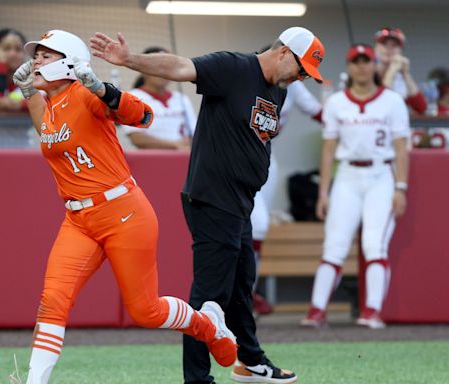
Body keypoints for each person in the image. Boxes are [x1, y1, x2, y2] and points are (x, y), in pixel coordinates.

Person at [90, 26, 325, 384]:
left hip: (241, 202)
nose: (301, 77)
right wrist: (129, 59)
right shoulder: (233, 68)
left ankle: (250, 362)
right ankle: (197, 379)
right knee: (209, 294)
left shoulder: (278, 90)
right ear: (283, 52)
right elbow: (180, 67)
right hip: (214, 198)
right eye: (302, 68)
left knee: (241, 284)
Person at [8, 29, 237, 384]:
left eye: (45, 55)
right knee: (52, 300)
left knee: (146, 311)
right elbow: (48, 132)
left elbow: (143, 116)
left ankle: (206, 324)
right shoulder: (51, 102)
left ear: (68, 63)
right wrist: (28, 92)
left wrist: (102, 88)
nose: (35, 60)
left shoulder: (85, 94)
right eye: (36, 54)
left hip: (123, 212)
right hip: (79, 218)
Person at [301, 44, 410, 329]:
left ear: (375, 65)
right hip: (348, 175)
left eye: (366, 61)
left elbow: (401, 148)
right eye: (355, 62)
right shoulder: (337, 102)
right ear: (349, 67)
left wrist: (401, 186)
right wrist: (323, 192)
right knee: (334, 246)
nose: (361, 67)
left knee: (375, 244)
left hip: (381, 174)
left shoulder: (393, 101)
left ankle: (372, 311)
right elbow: (328, 149)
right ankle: (317, 310)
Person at [251, 68, 323, 315]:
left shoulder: (292, 82)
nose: (296, 75)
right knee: (247, 226)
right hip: (236, 156)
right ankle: (237, 293)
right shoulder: (244, 78)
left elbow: (319, 113)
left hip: (267, 156)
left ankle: (247, 293)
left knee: (258, 228)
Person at [121, 46, 197, 150]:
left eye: (166, 67)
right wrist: (174, 145)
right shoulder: (131, 97)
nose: (161, 72)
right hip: (150, 162)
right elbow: (137, 138)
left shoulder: (182, 99)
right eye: (156, 66)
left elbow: (195, 134)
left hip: (183, 160)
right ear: (142, 69)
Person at [374, 27, 427, 114]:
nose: (389, 48)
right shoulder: (367, 69)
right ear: (376, 47)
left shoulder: (400, 73)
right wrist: (392, 70)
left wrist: (405, 74)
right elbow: (380, 103)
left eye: (394, 45)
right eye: (384, 44)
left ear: (400, 50)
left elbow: (421, 107)